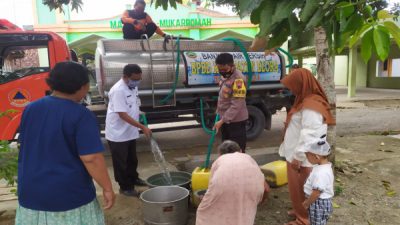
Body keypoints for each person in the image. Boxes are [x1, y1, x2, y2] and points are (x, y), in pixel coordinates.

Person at [16, 62, 115, 224]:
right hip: (68, 196)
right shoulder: (82, 115)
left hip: (30, 193)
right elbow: (91, 158)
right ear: (82, 86)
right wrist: (107, 188)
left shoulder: (30, 109)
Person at [279, 68, 335, 225]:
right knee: (296, 188)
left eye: (292, 85)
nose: (291, 90)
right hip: (297, 154)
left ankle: (303, 219)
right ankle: (299, 210)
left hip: (302, 158)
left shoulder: (311, 105)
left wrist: (298, 156)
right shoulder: (304, 99)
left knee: (303, 188)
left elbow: (310, 134)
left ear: (301, 84)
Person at [196, 140, 269, 225]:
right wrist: (259, 202)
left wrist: (204, 199)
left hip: (223, 188)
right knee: (244, 213)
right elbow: (266, 189)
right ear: (240, 151)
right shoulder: (248, 159)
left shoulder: (220, 161)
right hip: (251, 189)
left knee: (203, 212)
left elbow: (213, 190)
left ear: (220, 155)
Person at [105, 64, 152, 197]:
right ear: (125, 77)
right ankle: (124, 187)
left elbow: (132, 104)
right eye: (135, 79)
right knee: (121, 162)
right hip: (118, 133)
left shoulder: (132, 86)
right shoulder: (118, 90)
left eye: (139, 79)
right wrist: (142, 127)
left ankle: (133, 178)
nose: (137, 82)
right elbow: (122, 114)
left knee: (132, 159)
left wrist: (139, 112)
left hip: (130, 131)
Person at [213, 53, 249, 152]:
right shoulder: (225, 76)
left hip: (236, 121)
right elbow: (223, 97)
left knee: (237, 151)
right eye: (219, 69)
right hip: (225, 120)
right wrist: (219, 113)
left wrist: (222, 120)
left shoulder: (238, 80)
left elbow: (236, 105)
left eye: (224, 69)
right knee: (226, 149)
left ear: (232, 65)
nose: (222, 72)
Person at [301, 132, 334, 225]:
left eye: (307, 155)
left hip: (318, 203)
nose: (306, 158)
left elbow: (316, 193)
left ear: (316, 156)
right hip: (320, 202)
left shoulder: (321, 173)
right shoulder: (325, 167)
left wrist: (307, 203)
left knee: (317, 223)